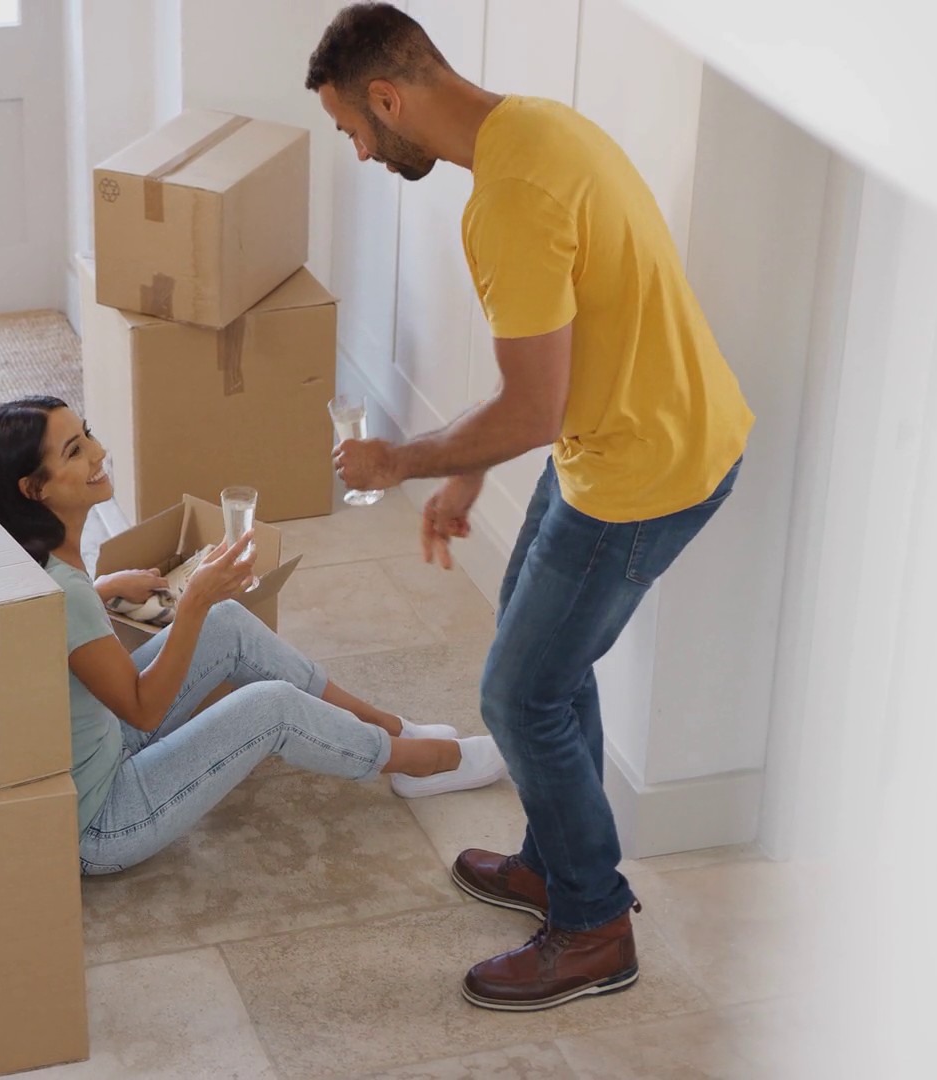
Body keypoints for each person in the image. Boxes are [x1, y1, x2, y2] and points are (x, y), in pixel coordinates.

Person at [307, 4, 754, 1011]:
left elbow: (531, 407)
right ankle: (555, 867)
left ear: (387, 99)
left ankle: (593, 925)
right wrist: (469, 470)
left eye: (351, 131)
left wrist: (402, 460)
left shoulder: (506, 200)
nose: (361, 153)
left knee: (519, 694)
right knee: (542, 656)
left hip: (643, 467)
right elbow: (552, 371)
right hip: (632, 428)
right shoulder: (540, 127)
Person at [0, 396, 509, 875]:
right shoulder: (66, 592)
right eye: (74, 451)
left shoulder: (27, 559)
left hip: (95, 751)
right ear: (33, 488)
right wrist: (194, 601)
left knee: (226, 623)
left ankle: (393, 728)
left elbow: (63, 629)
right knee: (270, 706)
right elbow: (145, 710)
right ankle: (420, 762)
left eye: (86, 434)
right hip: (101, 821)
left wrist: (104, 586)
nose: (98, 452)